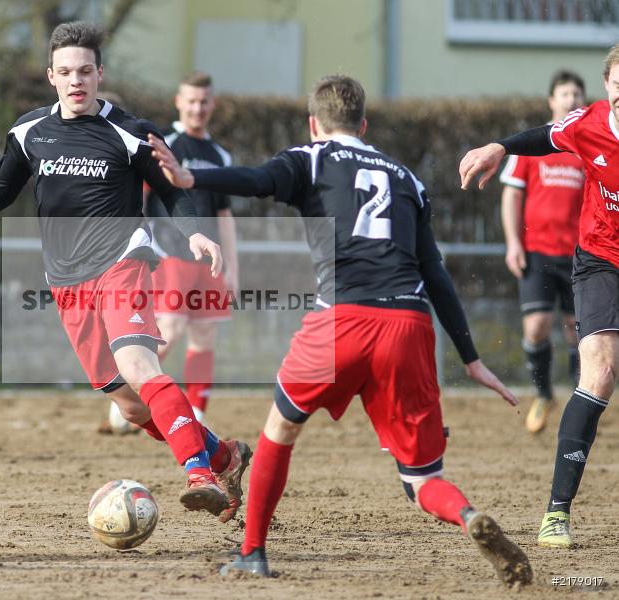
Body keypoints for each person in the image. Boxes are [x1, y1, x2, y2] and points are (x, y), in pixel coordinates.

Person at [151, 75, 532, 586]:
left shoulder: (310, 158)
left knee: (278, 433)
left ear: (314, 124)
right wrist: (471, 358)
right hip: (411, 324)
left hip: (343, 321)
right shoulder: (405, 178)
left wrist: (191, 181)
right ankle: (467, 517)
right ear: (365, 125)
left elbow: (257, 179)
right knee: (423, 481)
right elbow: (435, 272)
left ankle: (253, 551)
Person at [0, 21, 251, 521]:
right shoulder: (28, 132)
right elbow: (2, 191)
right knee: (130, 407)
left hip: (122, 263)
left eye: (85, 71)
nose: (76, 81)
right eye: (65, 72)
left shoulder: (130, 133)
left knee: (139, 366)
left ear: (100, 73)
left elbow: (173, 191)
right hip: (67, 283)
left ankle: (199, 473)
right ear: (51, 76)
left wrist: (194, 231)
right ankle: (225, 456)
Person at [460, 43, 619, 550]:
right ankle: (556, 512)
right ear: (608, 88)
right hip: (599, 259)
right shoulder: (588, 123)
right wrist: (498, 147)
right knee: (600, 369)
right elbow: (542, 139)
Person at [146, 71, 238, 424]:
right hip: (169, 253)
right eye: (192, 101)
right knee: (169, 330)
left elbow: (224, 214)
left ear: (212, 105)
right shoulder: (164, 146)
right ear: (179, 102)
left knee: (205, 332)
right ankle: (134, 392)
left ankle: (197, 412)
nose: (198, 108)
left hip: (210, 260)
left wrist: (232, 267)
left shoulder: (220, 156)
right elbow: (142, 201)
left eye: (204, 102)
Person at [499, 71, 586, 434]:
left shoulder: (588, 145)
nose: (571, 99)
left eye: (577, 94)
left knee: (576, 333)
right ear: (551, 101)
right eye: (564, 93)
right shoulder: (534, 145)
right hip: (536, 252)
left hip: (582, 254)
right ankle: (544, 394)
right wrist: (513, 243)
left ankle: (584, 400)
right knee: (536, 327)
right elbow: (511, 195)